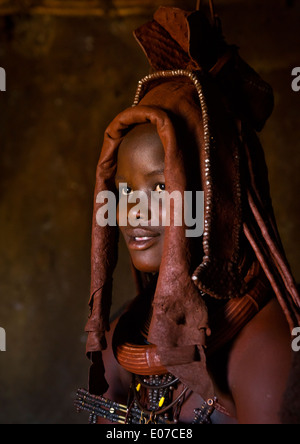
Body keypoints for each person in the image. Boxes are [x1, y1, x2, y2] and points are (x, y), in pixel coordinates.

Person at [76, 5, 300, 425]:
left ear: (215, 195)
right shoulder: (121, 338)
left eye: (161, 187)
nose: (131, 212)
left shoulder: (266, 349)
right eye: (124, 190)